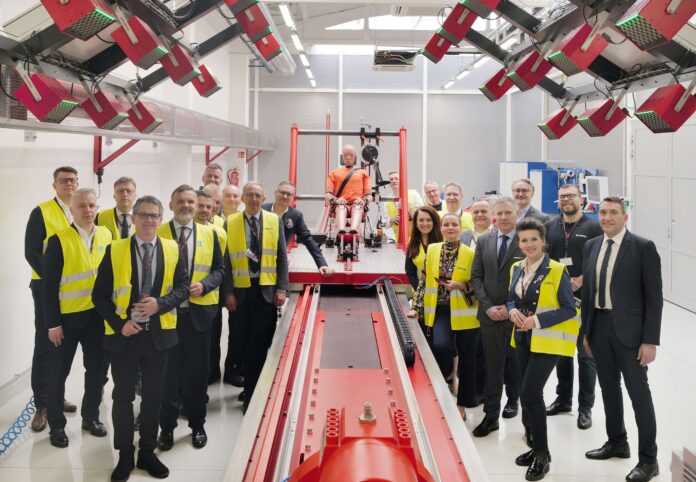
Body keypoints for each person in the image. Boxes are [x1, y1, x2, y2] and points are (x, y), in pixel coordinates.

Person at [92, 195, 189, 482]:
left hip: (159, 336)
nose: (148, 220)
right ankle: (125, 455)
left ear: (161, 219)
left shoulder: (173, 249)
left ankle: (147, 453)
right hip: (124, 338)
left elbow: (183, 287)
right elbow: (99, 296)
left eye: (154, 215)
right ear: (133, 218)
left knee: (153, 397)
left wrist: (161, 304)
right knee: (122, 398)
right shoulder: (115, 249)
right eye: (143, 215)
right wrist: (119, 324)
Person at [581, 197, 662, 482]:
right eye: (602, 212)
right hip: (599, 328)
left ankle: (649, 460)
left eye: (613, 212)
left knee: (639, 395)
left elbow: (654, 298)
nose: (606, 217)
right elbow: (588, 294)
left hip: (631, 333)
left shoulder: (642, 247)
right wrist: (586, 332)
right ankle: (617, 442)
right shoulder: (592, 245)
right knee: (608, 389)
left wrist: (649, 341)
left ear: (625, 217)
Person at [507, 218, 578, 481]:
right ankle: (535, 444)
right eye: (524, 240)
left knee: (530, 393)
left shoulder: (557, 270)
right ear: (519, 243)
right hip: (523, 339)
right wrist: (512, 311)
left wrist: (536, 321)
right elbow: (511, 297)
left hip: (547, 341)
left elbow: (569, 309)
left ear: (543, 241)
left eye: (534, 239)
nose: (529, 244)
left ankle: (542, 455)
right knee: (527, 396)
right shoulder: (516, 267)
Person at [42, 188, 112, 448]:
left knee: (96, 371)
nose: (87, 210)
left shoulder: (106, 234)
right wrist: (53, 324)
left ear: (97, 208)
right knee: (58, 373)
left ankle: (90, 417)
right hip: (67, 320)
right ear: (72, 210)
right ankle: (57, 426)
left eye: (92, 205)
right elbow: (48, 288)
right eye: (81, 206)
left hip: (98, 318)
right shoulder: (59, 240)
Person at [157, 185, 225, 451]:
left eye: (190, 202)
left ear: (196, 206)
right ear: (171, 205)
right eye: (180, 201)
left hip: (198, 316)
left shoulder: (210, 234)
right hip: (167, 317)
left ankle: (197, 424)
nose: (186, 206)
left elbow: (220, 270)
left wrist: (205, 285)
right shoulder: (158, 233)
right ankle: (167, 428)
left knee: (198, 374)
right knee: (168, 376)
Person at [224, 182, 288, 413]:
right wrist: (228, 292)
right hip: (240, 294)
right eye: (249, 195)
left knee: (260, 343)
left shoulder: (274, 221)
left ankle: (253, 394)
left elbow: (281, 257)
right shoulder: (230, 222)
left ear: (263, 198)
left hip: (265, 292)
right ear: (242, 198)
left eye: (257, 195)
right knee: (242, 342)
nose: (253, 199)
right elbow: (225, 262)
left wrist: (281, 289)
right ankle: (250, 386)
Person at [24, 166, 79, 432]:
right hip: (46, 288)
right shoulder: (41, 212)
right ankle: (42, 405)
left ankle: (57, 396)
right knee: (45, 345)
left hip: (75, 292)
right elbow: (32, 251)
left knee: (63, 346)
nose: (69, 184)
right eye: (63, 180)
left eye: (73, 180)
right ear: (54, 185)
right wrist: (53, 279)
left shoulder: (82, 210)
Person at [544, 184, 603, 430]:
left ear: (581, 199)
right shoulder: (550, 226)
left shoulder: (594, 227)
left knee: (586, 354)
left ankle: (585, 408)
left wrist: (583, 279)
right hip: (560, 300)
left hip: (586, 300)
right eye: (562, 197)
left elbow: (602, 259)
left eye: (571, 196)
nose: (566, 200)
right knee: (562, 351)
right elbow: (545, 259)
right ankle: (563, 400)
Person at [414, 213, 479, 420]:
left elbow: (478, 284)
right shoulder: (433, 249)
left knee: (468, 361)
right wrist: (417, 306)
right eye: (446, 225)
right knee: (441, 346)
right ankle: (450, 374)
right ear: (441, 228)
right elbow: (424, 280)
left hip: (466, 315)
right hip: (440, 310)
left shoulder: (471, 253)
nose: (450, 228)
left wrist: (461, 286)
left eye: (454, 225)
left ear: (461, 228)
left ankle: (462, 405)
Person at [471, 197, 524, 438]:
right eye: (499, 213)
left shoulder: (526, 240)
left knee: (515, 363)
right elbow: (477, 276)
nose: (503, 217)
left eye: (508, 213)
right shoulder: (484, 240)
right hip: (490, 315)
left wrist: (511, 307)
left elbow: (532, 278)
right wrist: (489, 306)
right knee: (493, 367)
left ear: (516, 213)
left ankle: (513, 401)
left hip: (517, 316)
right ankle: (491, 415)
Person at [194, 190, 232, 386]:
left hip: (210, 297)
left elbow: (222, 267)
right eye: (200, 205)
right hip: (180, 300)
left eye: (208, 207)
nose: (204, 210)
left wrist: (225, 294)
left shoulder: (219, 233)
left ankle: (211, 374)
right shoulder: (174, 231)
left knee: (211, 340)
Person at [262, 181, 333, 277]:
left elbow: (307, 239)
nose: (285, 196)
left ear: (293, 197)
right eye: (282, 192)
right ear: (275, 193)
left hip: (278, 261)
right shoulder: (261, 210)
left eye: (289, 194)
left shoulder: (295, 215)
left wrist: (322, 264)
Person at [405, 206, 443, 318]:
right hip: (420, 298)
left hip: (442, 299)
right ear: (416, 223)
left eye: (429, 220)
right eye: (421, 220)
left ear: (434, 222)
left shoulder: (443, 241)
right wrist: (421, 292)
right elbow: (410, 273)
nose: (425, 223)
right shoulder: (413, 244)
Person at [324, 144, 372, 232]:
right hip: (341, 204)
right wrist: (336, 199)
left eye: (351, 155)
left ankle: (354, 230)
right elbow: (328, 194)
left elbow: (369, 195)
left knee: (357, 208)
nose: (348, 158)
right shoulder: (334, 173)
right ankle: (341, 230)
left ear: (355, 157)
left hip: (357, 204)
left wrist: (364, 200)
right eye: (346, 155)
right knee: (341, 208)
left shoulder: (363, 173)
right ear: (342, 156)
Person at [384, 170, 423, 242]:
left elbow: (423, 213)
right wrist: (391, 220)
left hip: (416, 239)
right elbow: (385, 224)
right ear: (389, 184)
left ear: (402, 181)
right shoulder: (387, 201)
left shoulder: (413, 194)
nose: (394, 181)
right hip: (398, 240)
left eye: (396, 179)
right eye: (391, 179)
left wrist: (412, 214)